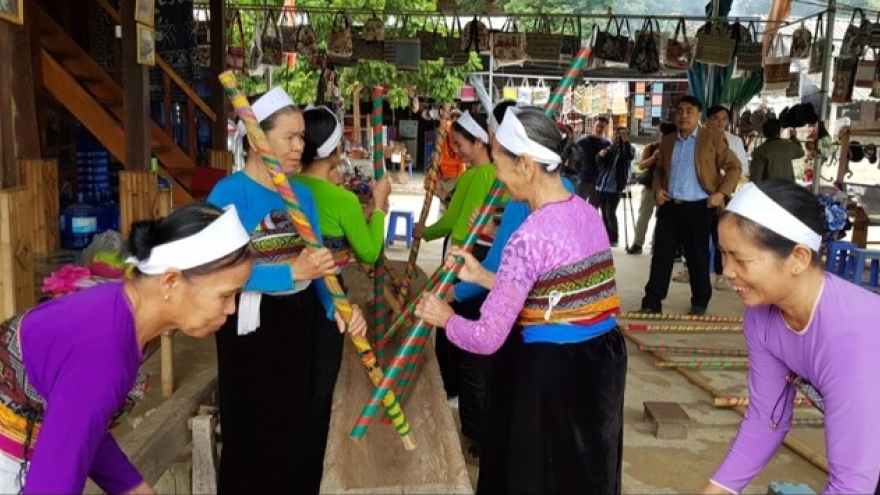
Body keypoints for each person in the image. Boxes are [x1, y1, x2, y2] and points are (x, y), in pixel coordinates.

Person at [416, 107, 627, 494]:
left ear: (526, 166)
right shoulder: (586, 213)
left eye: (498, 164)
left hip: (552, 375)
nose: (496, 176)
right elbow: (554, 292)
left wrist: (444, 316)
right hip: (602, 364)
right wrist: (480, 275)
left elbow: (486, 337)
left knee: (537, 474)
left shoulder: (528, 237)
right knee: (581, 471)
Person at [0, 202, 254, 494]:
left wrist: (133, 487)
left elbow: (83, 422)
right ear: (171, 281)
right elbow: (53, 483)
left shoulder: (120, 312)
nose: (232, 308)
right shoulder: (104, 349)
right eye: (226, 295)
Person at [207, 88, 367, 494]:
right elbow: (213, 274)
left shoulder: (303, 197)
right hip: (249, 330)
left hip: (300, 326)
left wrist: (340, 309)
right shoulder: (229, 195)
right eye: (290, 137)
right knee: (253, 432)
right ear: (258, 139)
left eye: (301, 137)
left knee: (301, 427)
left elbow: (318, 271)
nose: (301, 146)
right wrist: (287, 272)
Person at [702, 180, 880, 495]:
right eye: (724, 255)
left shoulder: (849, 335)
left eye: (740, 259)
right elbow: (766, 420)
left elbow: (851, 485)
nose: (727, 271)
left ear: (798, 258)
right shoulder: (761, 319)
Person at [291, 105, 391, 488]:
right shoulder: (342, 200)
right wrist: (378, 207)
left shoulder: (288, 187)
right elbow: (369, 251)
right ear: (333, 153)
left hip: (289, 299)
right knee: (320, 385)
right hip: (330, 301)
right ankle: (315, 464)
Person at [639, 95, 742, 316]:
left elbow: (735, 167)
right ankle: (652, 301)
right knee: (661, 255)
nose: (683, 115)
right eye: (680, 111)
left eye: (689, 111)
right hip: (669, 206)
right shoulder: (667, 141)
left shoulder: (712, 138)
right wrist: (657, 189)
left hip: (698, 207)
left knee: (697, 257)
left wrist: (721, 193)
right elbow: (658, 170)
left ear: (698, 116)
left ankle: (700, 301)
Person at [416, 111, 498, 249]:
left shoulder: (475, 175)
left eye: (459, 145)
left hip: (464, 247)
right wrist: (442, 193)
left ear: (478, 142)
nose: (455, 150)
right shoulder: (497, 173)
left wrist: (424, 232)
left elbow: (452, 220)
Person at [706, 105, 749, 291]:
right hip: (699, 193)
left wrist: (723, 187)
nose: (720, 122)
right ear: (707, 119)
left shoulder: (734, 141)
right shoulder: (699, 139)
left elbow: (742, 169)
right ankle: (690, 270)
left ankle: (720, 273)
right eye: (716, 118)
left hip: (724, 194)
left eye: (724, 119)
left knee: (720, 236)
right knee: (694, 235)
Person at [628, 122, 677, 255]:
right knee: (644, 216)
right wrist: (653, 158)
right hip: (650, 187)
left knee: (662, 218)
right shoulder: (651, 147)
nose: (664, 137)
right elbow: (641, 166)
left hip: (668, 188)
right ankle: (638, 243)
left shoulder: (677, 149)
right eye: (663, 134)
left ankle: (656, 243)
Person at [595, 127, 635, 247]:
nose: (617, 137)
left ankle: (614, 237)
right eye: (616, 135)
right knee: (603, 212)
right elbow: (598, 162)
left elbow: (629, 156)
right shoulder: (610, 149)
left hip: (615, 187)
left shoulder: (627, 149)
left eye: (620, 135)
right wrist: (600, 155)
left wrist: (626, 141)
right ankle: (605, 236)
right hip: (602, 185)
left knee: (610, 213)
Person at [575, 115, 611, 206]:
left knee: (593, 209)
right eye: (597, 126)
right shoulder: (582, 142)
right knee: (579, 207)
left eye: (602, 127)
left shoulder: (607, 144)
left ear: (605, 128)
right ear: (593, 126)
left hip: (598, 182)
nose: (599, 129)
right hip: (583, 179)